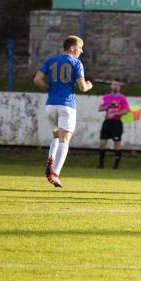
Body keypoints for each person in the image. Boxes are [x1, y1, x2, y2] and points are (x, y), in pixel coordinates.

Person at [32, 35, 93, 188]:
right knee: (64, 141)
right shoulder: (76, 63)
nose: (81, 51)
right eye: (79, 48)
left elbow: (37, 80)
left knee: (56, 138)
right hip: (67, 106)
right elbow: (82, 88)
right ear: (72, 48)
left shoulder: (51, 60)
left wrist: (48, 89)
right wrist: (89, 84)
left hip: (50, 106)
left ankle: (51, 159)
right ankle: (55, 173)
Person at [97, 80, 130, 170]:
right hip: (107, 122)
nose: (116, 86)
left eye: (118, 85)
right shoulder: (106, 97)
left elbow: (126, 110)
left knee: (117, 143)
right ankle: (101, 164)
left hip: (116, 123)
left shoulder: (122, 98)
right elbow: (100, 108)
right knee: (102, 143)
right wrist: (108, 107)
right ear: (111, 86)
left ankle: (116, 166)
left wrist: (116, 113)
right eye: (114, 84)